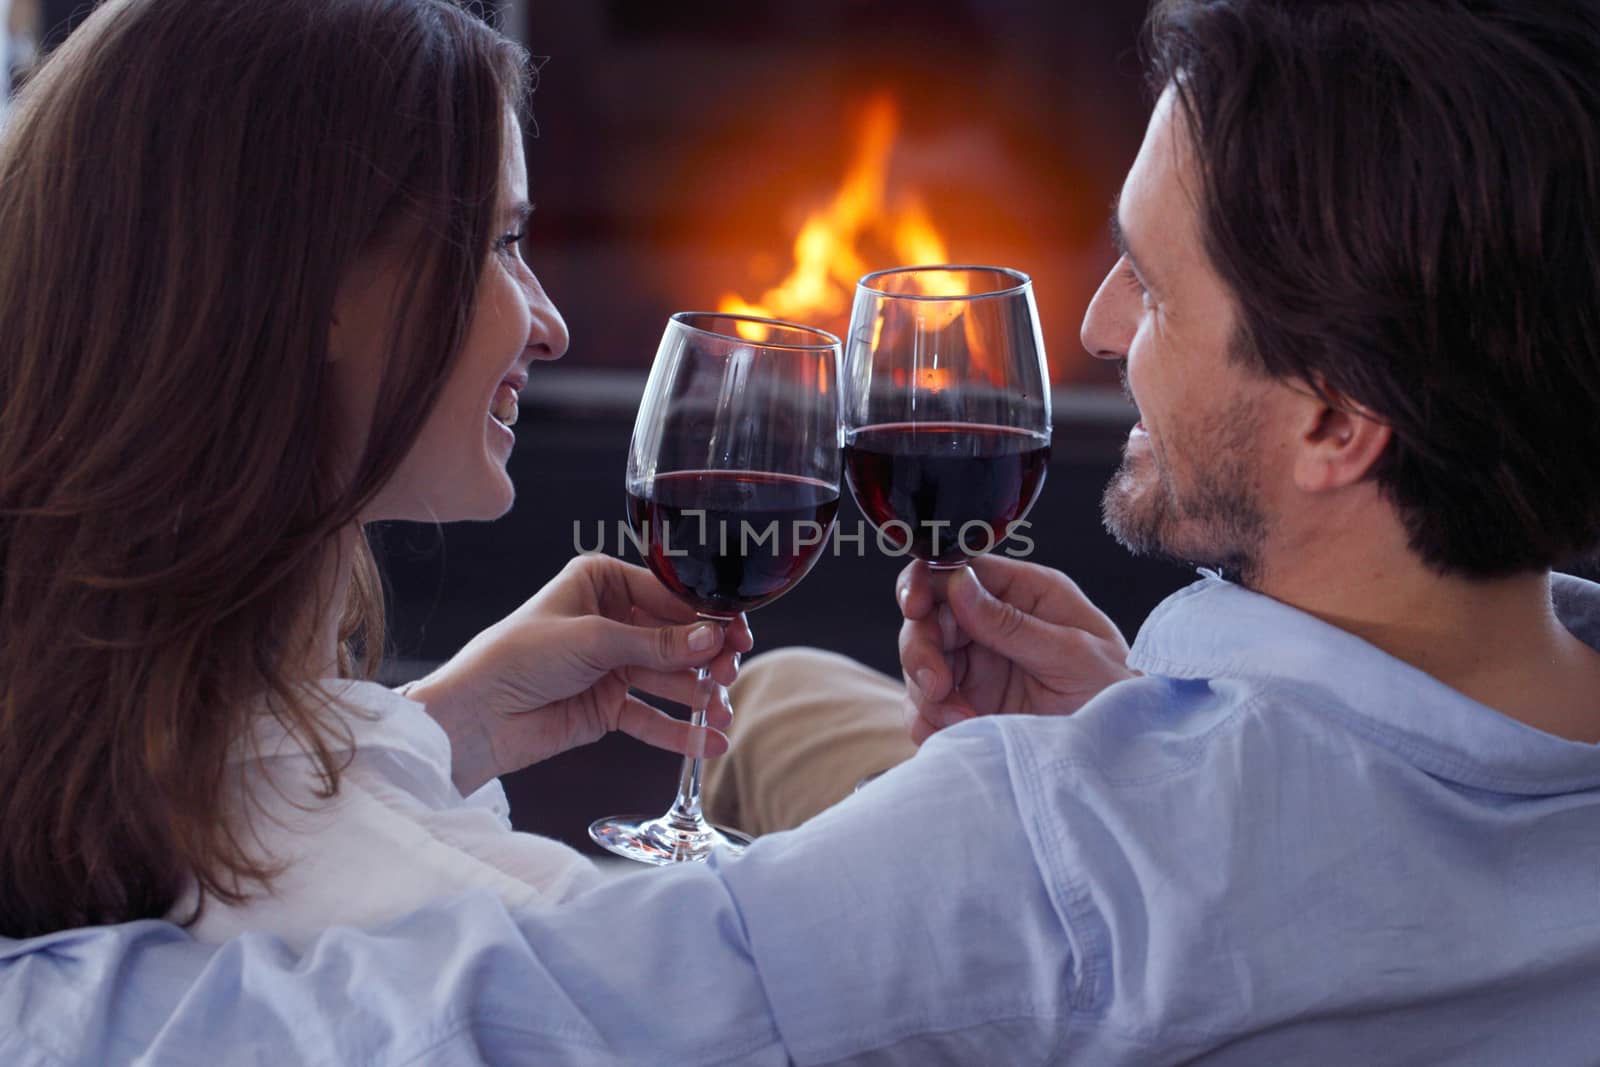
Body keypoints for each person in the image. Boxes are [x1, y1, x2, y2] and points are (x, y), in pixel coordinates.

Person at [5, 0, 1600, 1063]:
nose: (1102, 328)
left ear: (1337, 424)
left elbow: (491, 1010)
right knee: (781, 699)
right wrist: (1129, 734)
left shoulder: (1057, 852)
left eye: (1157, 285)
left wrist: (1072, 787)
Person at [0, 0, 751, 950]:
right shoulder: (487, 925)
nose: (551, 324)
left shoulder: (97, 779)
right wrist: (995, 761)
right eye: (501, 244)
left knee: (787, 696)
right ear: (312, 286)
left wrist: (436, 727)